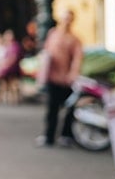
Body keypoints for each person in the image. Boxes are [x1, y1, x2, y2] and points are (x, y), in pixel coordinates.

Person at [35, 9, 83, 148]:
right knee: (52, 109)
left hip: (67, 80)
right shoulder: (53, 34)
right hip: (53, 78)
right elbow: (47, 52)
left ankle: (66, 136)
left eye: (69, 18)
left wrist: (73, 74)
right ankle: (49, 136)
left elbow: (77, 59)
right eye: (65, 18)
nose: (66, 21)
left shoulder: (74, 39)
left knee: (69, 109)